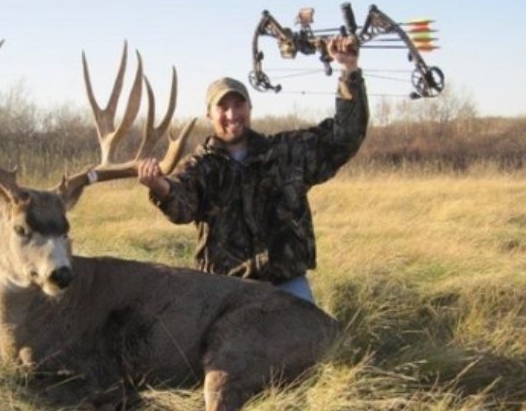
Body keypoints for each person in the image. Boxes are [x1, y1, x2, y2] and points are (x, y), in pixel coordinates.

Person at [137, 36, 368, 303]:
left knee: (310, 343)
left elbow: (345, 138)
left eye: (239, 105)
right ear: (209, 114)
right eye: (222, 107)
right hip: (226, 291)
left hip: (286, 285)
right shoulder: (201, 167)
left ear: (250, 107)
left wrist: (349, 71)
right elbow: (182, 206)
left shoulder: (285, 153)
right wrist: (159, 186)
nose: (232, 114)